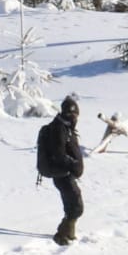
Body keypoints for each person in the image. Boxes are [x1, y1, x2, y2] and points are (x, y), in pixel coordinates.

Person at [36, 94, 85, 246]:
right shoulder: (59, 129)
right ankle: (61, 236)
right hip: (63, 174)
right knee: (76, 207)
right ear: (64, 112)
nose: (73, 116)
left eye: (75, 113)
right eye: (70, 113)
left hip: (65, 174)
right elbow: (59, 155)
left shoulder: (65, 127)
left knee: (72, 206)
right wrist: (74, 165)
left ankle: (68, 234)